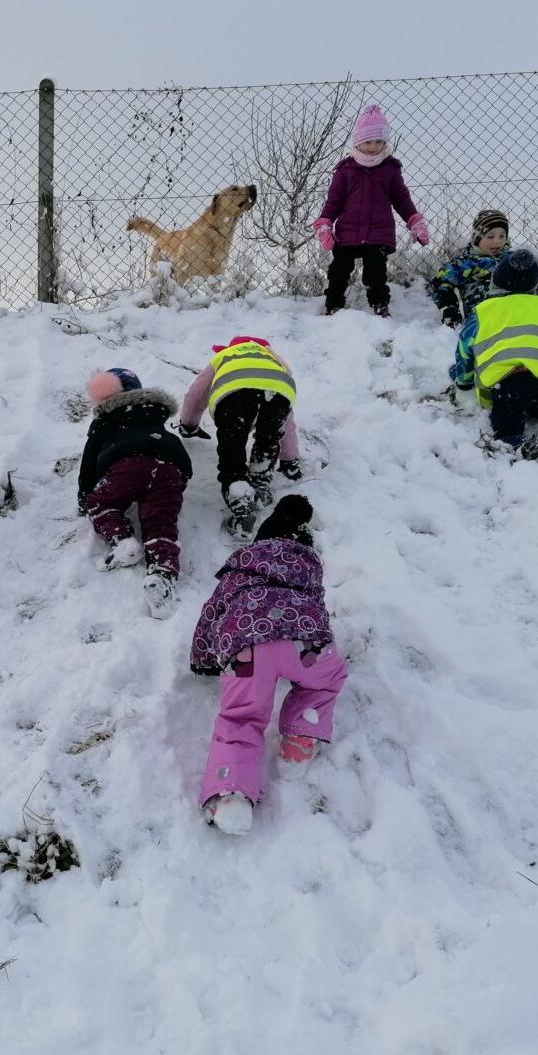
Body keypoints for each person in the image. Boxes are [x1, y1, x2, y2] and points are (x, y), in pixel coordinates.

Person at [190, 495, 348, 836]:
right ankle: (301, 737)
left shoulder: (238, 572)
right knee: (327, 680)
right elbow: (316, 615)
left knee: (240, 716)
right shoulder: (308, 573)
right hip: (304, 644)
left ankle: (232, 794)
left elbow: (210, 616)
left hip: (247, 649)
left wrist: (203, 660)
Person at [78, 367, 192, 620]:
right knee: (161, 522)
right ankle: (162, 573)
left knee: (101, 504)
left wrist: (85, 496)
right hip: (170, 466)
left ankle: (123, 541)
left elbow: (88, 463)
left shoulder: (104, 421)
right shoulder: (154, 413)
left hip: (126, 465)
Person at [450, 248, 538, 461]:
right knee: (534, 397)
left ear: (495, 283)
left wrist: (463, 384)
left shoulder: (485, 311)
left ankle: (517, 442)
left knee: (507, 416)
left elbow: (465, 350)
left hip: (505, 385)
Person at [177, 335, 301, 539]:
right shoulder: (271, 358)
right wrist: (290, 460)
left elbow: (195, 395)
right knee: (268, 439)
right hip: (279, 391)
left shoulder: (225, 355)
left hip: (234, 396)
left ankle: (241, 503)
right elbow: (286, 423)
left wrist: (188, 425)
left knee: (232, 451)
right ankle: (260, 483)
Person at [312, 103, 429, 318]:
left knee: (376, 273)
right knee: (339, 269)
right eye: (368, 141)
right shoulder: (345, 170)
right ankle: (333, 304)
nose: (373, 146)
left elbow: (401, 199)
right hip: (348, 232)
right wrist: (325, 222)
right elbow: (334, 201)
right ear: (358, 142)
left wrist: (414, 221)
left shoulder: (390, 169)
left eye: (379, 141)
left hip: (378, 233)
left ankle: (380, 305)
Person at [428, 209, 538, 328]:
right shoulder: (465, 262)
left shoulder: (510, 258)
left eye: (502, 236)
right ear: (477, 237)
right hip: (483, 316)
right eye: (490, 236)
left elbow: (534, 273)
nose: (497, 241)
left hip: (519, 310)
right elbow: (440, 283)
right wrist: (449, 308)